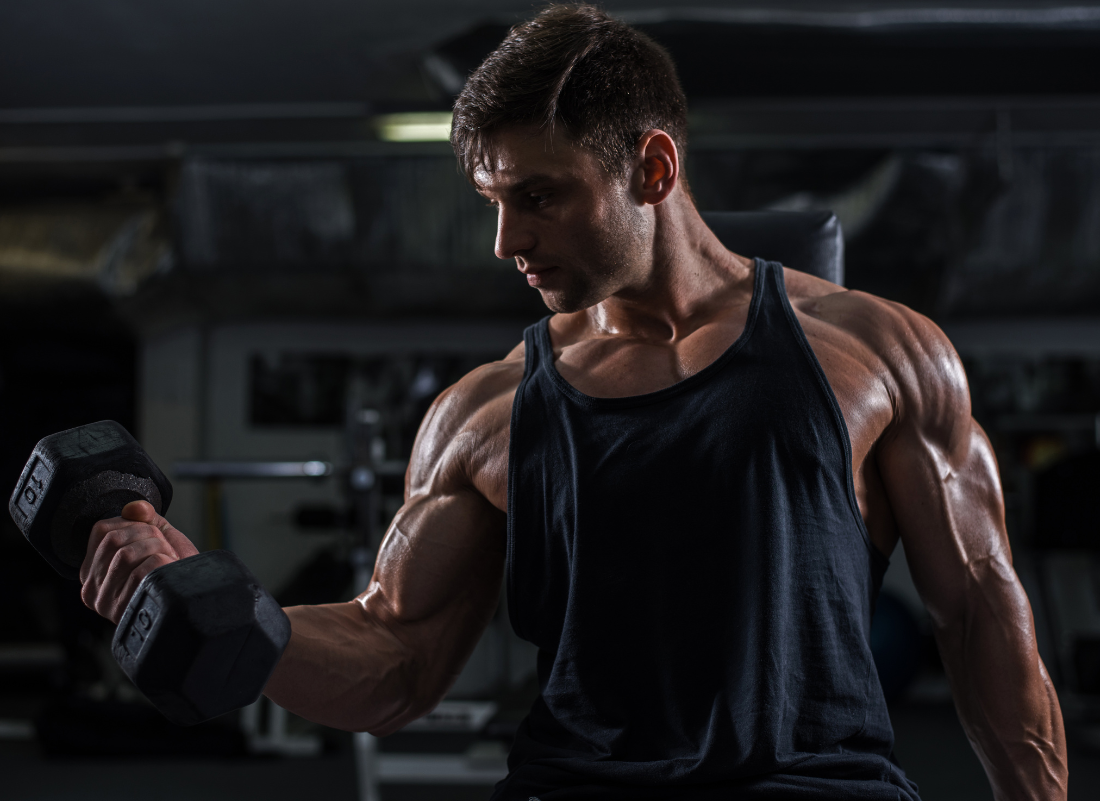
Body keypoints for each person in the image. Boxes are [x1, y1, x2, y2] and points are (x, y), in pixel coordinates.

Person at [80, 5, 1066, 799]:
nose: (505, 240)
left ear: (652, 167)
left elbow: (979, 611)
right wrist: (233, 612)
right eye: (493, 203)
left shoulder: (873, 350)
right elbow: (395, 656)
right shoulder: (483, 412)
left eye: (540, 197)